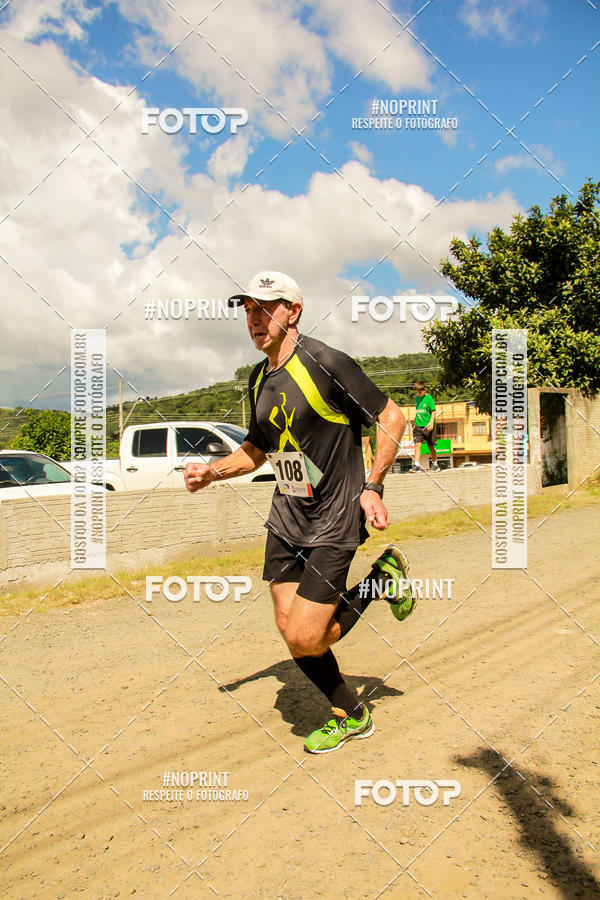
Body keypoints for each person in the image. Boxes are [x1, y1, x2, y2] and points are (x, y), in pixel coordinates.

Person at [185, 271, 415, 753]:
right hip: (288, 518)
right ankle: (351, 713)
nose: (255, 319)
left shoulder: (325, 361)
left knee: (309, 636)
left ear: (293, 311)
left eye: (265, 308)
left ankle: (380, 580)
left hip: (334, 517)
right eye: (248, 309)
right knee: (291, 632)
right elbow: (257, 449)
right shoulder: (257, 379)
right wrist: (212, 472)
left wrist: (373, 486)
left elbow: (392, 417)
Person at [410, 380, 440, 473]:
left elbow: (433, 411)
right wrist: (414, 420)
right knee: (417, 445)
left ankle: (435, 464)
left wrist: (431, 423)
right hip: (418, 426)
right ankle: (417, 466)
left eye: (420, 391)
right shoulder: (417, 399)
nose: (419, 393)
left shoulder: (429, 398)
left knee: (430, 446)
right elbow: (418, 410)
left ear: (425, 389)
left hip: (428, 426)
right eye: (417, 391)